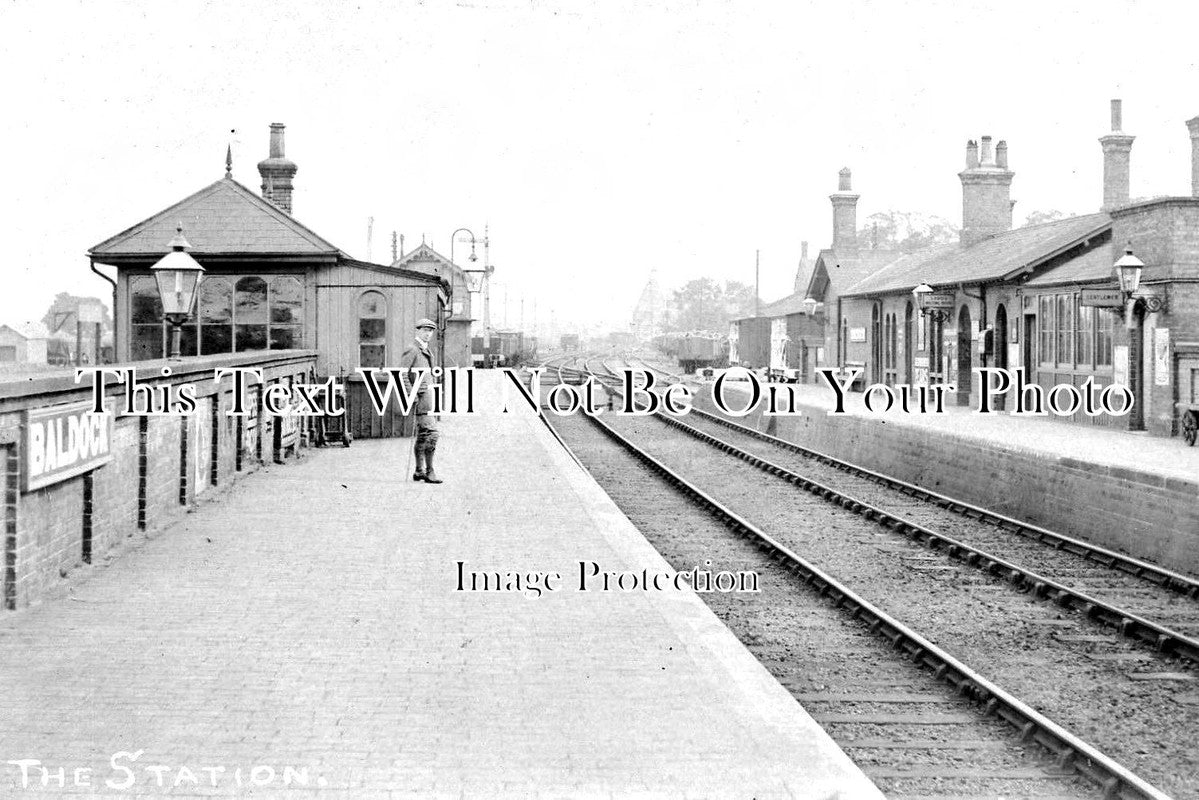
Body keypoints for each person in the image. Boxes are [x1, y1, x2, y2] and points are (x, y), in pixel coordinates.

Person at [398, 318, 443, 484]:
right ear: (417, 331)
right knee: (432, 434)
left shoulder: (426, 350)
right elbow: (401, 374)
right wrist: (412, 394)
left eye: (430, 331)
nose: (428, 333)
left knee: (424, 435)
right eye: (425, 330)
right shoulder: (412, 350)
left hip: (428, 398)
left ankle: (418, 471)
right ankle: (430, 472)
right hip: (421, 398)